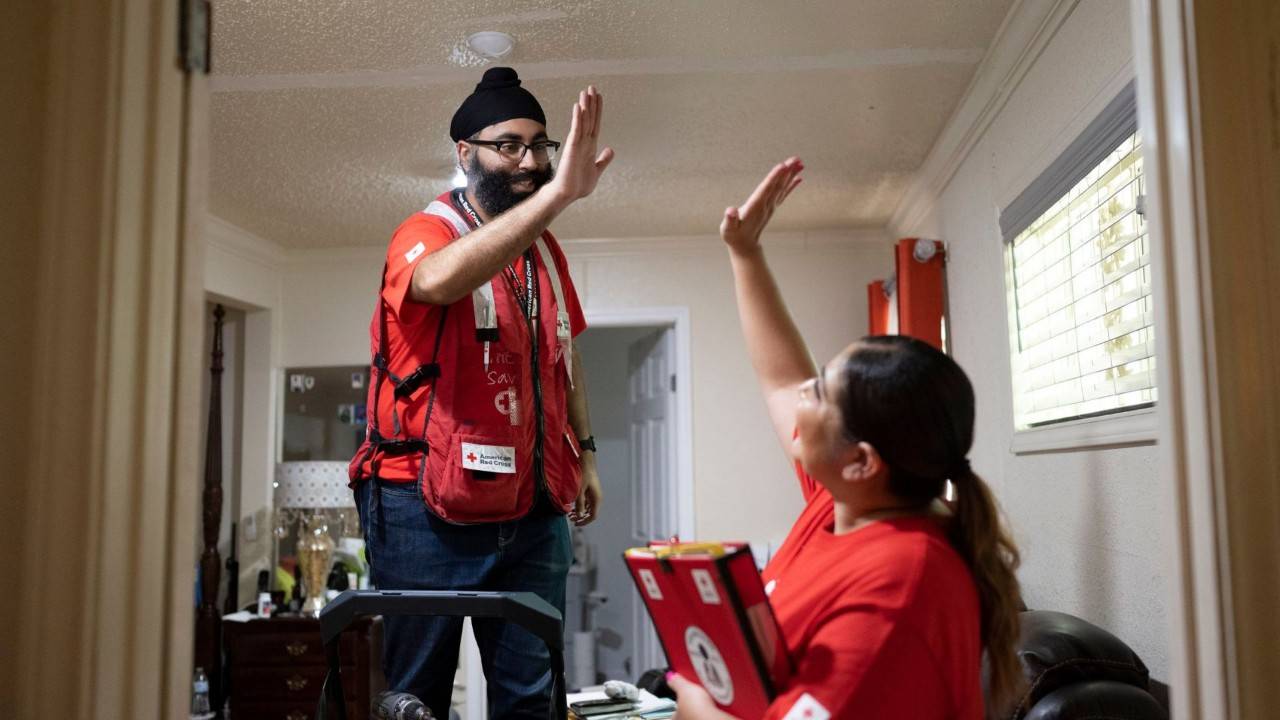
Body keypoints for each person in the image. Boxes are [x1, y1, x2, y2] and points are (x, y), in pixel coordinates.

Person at [667, 159, 1025, 719]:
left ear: (862, 460)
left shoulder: (901, 581)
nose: (800, 396)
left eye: (819, 393)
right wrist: (745, 252)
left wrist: (694, 698)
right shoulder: (841, 503)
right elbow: (781, 376)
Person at [348, 67, 613, 719]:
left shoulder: (546, 253)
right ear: (466, 153)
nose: (530, 160)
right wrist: (556, 199)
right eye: (509, 145)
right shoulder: (426, 230)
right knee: (418, 699)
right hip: (421, 506)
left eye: (540, 145)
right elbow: (435, 282)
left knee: (532, 698)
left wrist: (585, 454)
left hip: (535, 506)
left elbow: (565, 355)